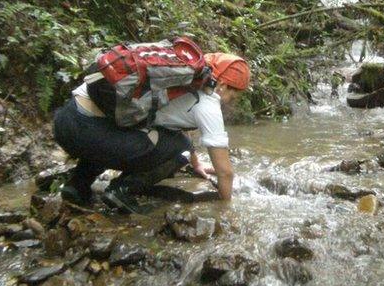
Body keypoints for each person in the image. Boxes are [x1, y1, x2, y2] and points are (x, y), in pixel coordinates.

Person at [52, 50, 251, 213]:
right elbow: (225, 173)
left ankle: (77, 184)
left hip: (64, 121)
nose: (232, 103)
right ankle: (121, 190)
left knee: (126, 124)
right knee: (178, 150)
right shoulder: (208, 104)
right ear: (223, 86)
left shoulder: (175, 75)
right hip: (90, 134)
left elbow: (172, 123)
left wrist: (196, 162)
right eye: (234, 97)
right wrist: (226, 210)